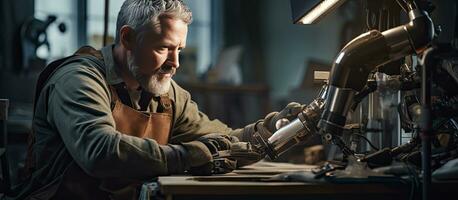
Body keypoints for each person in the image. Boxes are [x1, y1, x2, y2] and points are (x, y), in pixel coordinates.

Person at [14, 0, 304, 199]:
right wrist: (186, 156)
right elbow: (99, 151)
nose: (175, 63)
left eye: (179, 49)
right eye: (165, 48)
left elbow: (220, 139)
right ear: (127, 39)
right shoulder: (78, 80)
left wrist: (268, 131)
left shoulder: (165, 91)